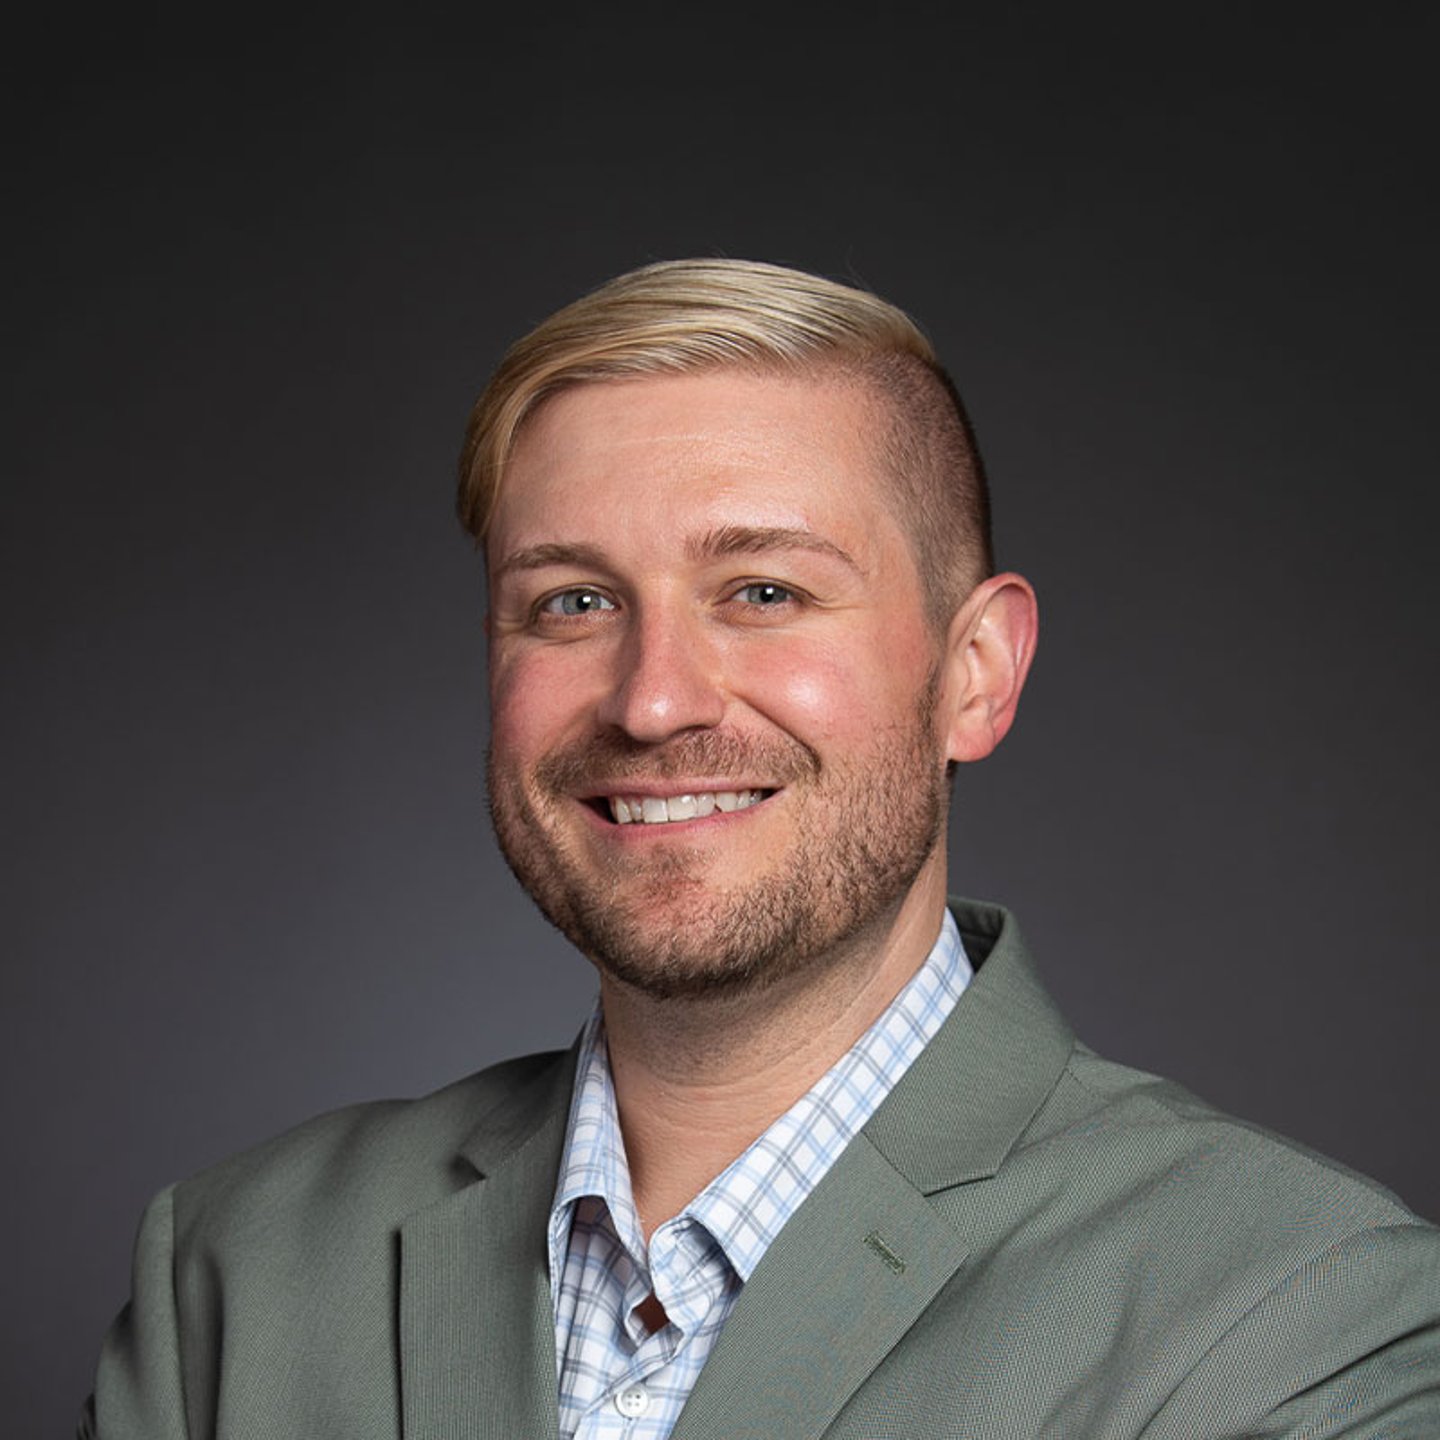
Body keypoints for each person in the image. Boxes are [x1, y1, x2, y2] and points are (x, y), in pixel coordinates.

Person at [83, 259, 1440, 1438]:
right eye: (570, 600)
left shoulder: (1303, 1317)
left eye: (765, 591)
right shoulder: (236, 1271)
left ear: (976, 671)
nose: (654, 696)